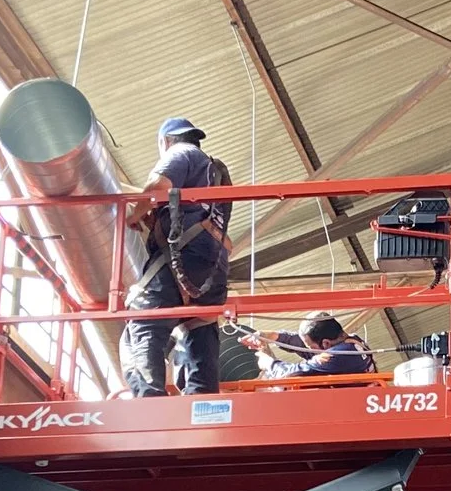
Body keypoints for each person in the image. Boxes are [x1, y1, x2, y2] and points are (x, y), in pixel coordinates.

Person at [127, 116, 233, 395]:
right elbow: (188, 213)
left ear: (166, 141)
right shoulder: (215, 173)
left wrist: (132, 216)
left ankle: (150, 399)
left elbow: (156, 187)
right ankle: (202, 402)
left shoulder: (181, 152)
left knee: (142, 318)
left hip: (183, 256)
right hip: (213, 266)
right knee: (198, 325)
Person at [254, 312, 373, 378]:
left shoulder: (336, 356)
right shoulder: (351, 341)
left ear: (326, 343)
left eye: (312, 347)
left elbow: (292, 373)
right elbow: (302, 345)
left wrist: (269, 363)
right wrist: (268, 335)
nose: (310, 350)